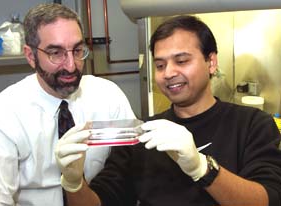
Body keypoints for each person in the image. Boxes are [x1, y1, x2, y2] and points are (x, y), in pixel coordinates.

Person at [55, 15, 281, 206]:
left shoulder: (252, 124)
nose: (169, 73)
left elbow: (268, 198)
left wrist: (202, 168)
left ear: (211, 62)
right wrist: (74, 183)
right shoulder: (141, 134)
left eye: (181, 61)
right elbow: (100, 201)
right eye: (160, 65)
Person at [0, 3, 135, 206]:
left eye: (78, 50)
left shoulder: (108, 97)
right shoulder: (1, 114)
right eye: (56, 53)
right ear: (30, 56)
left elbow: (131, 170)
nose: (71, 65)